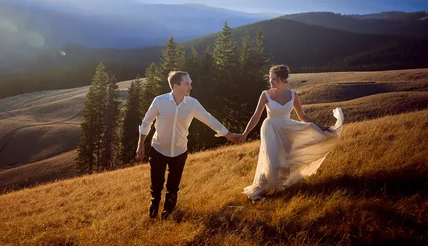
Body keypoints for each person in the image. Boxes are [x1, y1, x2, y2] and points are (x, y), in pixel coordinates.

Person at [137, 70, 240, 219]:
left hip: (179, 152)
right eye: (187, 84)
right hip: (158, 150)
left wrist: (228, 135)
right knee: (157, 185)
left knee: (173, 187)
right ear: (175, 85)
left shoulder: (192, 104)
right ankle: (154, 208)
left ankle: (168, 215)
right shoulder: (159, 101)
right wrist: (141, 144)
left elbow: (209, 119)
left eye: (190, 84)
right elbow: (146, 122)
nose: (190, 87)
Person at [237, 64, 344, 201]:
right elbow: (256, 116)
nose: (271, 81)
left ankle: (279, 190)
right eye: (270, 78)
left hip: (287, 129)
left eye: (274, 79)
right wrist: (245, 133)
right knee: (273, 162)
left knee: (286, 161)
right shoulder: (265, 94)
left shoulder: (293, 95)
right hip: (270, 129)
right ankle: (264, 189)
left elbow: (302, 116)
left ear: (282, 79)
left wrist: (320, 128)